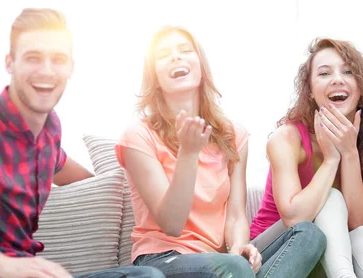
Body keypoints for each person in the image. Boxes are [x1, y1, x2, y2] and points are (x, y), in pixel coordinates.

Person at [115, 25, 326, 278]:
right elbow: (171, 224)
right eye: (163, 55)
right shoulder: (138, 136)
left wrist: (238, 246)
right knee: (233, 267)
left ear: (201, 66)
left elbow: (236, 214)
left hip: (221, 262)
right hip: (163, 259)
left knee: (309, 235)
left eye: (185, 50)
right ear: (154, 77)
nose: (176, 57)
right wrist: (188, 154)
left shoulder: (233, 134)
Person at [0, 8, 164, 278]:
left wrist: (126, 191)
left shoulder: (49, 130)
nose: (46, 71)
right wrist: (3, 265)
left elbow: (66, 169)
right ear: (10, 62)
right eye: (33, 58)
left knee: (146, 276)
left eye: (57, 59)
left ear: (71, 66)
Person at [249, 38, 363, 278]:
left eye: (348, 71)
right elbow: (295, 219)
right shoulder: (287, 139)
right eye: (324, 73)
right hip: (273, 252)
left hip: (335, 252)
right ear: (310, 90)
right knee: (330, 196)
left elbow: (358, 222)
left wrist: (349, 153)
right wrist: (331, 160)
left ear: (361, 88)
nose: (337, 79)